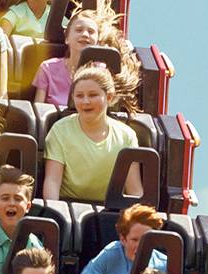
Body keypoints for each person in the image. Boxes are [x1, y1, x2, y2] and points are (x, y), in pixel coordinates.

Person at [42, 66, 141, 203]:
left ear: (109, 97)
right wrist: (55, 210)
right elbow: (52, 181)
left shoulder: (126, 135)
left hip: (110, 211)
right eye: (79, 96)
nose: (85, 101)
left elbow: (134, 190)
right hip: (67, 208)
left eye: (93, 95)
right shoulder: (60, 130)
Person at [79, 203, 167, 274]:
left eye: (146, 239)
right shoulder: (110, 254)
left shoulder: (164, 264)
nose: (141, 246)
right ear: (123, 239)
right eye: (135, 240)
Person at [33, 9, 100, 106]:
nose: (85, 34)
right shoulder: (47, 68)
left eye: (91, 31)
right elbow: (38, 110)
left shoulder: (103, 72)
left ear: (97, 41)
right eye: (79, 30)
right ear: (67, 38)